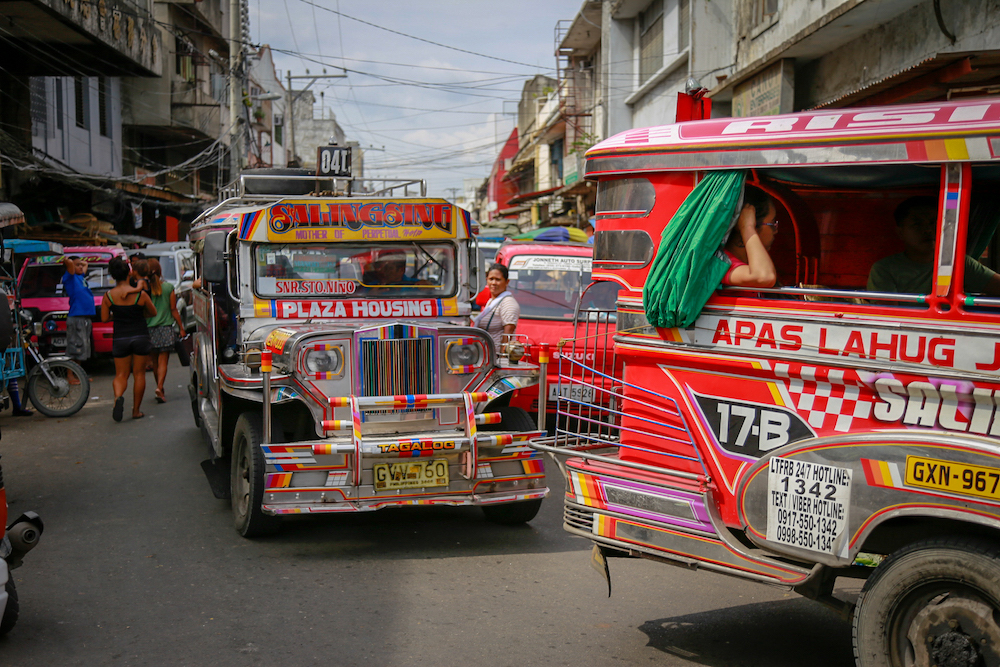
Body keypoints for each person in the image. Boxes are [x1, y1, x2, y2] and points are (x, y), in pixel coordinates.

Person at [868, 196, 1000, 296]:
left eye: (933, 223)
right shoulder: (884, 269)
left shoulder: (959, 263)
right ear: (900, 232)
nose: (928, 230)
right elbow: (889, 315)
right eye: (917, 224)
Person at [101, 257, 156, 421]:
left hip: (120, 338)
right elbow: (153, 312)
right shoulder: (141, 295)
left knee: (121, 375)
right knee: (139, 374)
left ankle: (118, 397)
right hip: (140, 335)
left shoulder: (108, 296)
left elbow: (104, 318)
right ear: (128, 273)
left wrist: (116, 315)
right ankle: (136, 411)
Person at [721, 186, 778, 288]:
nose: (776, 231)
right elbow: (764, 277)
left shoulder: (750, 262)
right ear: (754, 224)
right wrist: (747, 227)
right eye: (772, 224)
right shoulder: (721, 263)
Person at [145, 258, 184, 404]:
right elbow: (174, 309)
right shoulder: (168, 287)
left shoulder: (145, 289)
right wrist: (181, 327)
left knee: (155, 362)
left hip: (149, 329)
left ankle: (159, 387)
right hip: (166, 328)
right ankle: (160, 387)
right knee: (163, 362)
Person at [473, 263, 519, 348]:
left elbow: (508, 334)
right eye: (491, 279)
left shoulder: (508, 303)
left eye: (498, 280)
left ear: (507, 282)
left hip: (497, 356)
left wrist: (502, 356)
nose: (493, 283)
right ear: (486, 280)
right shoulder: (491, 301)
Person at [61, 255, 96, 363]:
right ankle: (70, 374)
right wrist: (68, 261)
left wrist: (78, 263)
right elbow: (70, 265)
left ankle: (78, 373)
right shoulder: (69, 277)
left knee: (82, 347)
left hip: (85, 317)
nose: (81, 266)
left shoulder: (80, 277)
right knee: (74, 347)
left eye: (81, 265)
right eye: (78, 265)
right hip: (76, 317)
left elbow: (86, 264)